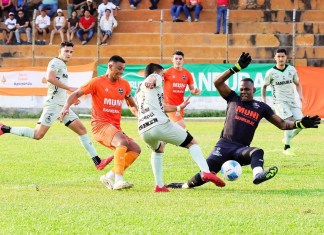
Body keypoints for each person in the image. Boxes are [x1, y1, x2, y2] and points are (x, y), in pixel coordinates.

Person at [167, 52, 320, 190]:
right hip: (224, 146)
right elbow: (217, 82)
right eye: (241, 89)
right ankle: (185, 185)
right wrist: (237, 67)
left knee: (257, 151)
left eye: (247, 89)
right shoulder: (233, 98)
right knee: (207, 172)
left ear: (254, 90)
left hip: (241, 150)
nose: (243, 92)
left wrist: (300, 124)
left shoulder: (262, 107)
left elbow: (282, 124)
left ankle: (257, 175)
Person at [0, 42, 111, 171]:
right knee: (38, 134)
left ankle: (97, 161)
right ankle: (4, 128)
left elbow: (58, 87)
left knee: (81, 130)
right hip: (53, 105)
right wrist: (70, 88)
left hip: (62, 106)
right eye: (66, 51)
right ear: (60, 51)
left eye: (71, 52)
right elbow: (50, 78)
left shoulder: (63, 65)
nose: (69, 54)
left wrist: (70, 99)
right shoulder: (55, 62)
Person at [135, 63, 225, 193]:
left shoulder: (139, 90)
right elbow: (153, 77)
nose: (163, 77)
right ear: (157, 72)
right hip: (158, 124)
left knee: (158, 150)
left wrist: (179, 107)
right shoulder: (156, 77)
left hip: (143, 129)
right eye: (162, 74)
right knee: (192, 143)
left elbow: (161, 107)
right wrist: (152, 78)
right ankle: (206, 172)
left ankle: (159, 186)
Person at [60, 55, 141, 190]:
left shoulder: (124, 85)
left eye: (123, 69)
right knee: (122, 141)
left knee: (135, 149)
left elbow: (132, 105)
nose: (121, 72)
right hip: (100, 126)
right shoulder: (96, 82)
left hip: (114, 128)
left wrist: (140, 116)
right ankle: (119, 181)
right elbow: (75, 94)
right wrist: (66, 107)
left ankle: (109, 176)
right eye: (119, 69)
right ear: (110, 66)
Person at [261, 48, 305, 156]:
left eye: (282, 56)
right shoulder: (271, 72)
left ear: (286, 57)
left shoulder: (291, 69)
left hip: (292, 101)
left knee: (303, 123)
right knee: (288, 121)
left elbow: (298, 83)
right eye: (278, 56)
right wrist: (264, 101)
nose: (281, 58)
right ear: (275, 58)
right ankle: (286, 147)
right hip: (279, 102)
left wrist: (301, 96)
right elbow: (264, 86)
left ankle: (286, 138)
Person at [163, 50, 201, 129]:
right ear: (172, 60)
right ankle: (163, 140)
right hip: (169, 104)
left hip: (181, 105)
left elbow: (192, 90)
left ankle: (162, 140)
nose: (178, 61)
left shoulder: (187, 74)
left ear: (183, 60)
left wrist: (195, 91)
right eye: (176, 58)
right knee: (181, 125)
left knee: (178, 129)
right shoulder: (166, 72)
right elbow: (156, 78)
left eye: (180, 59)